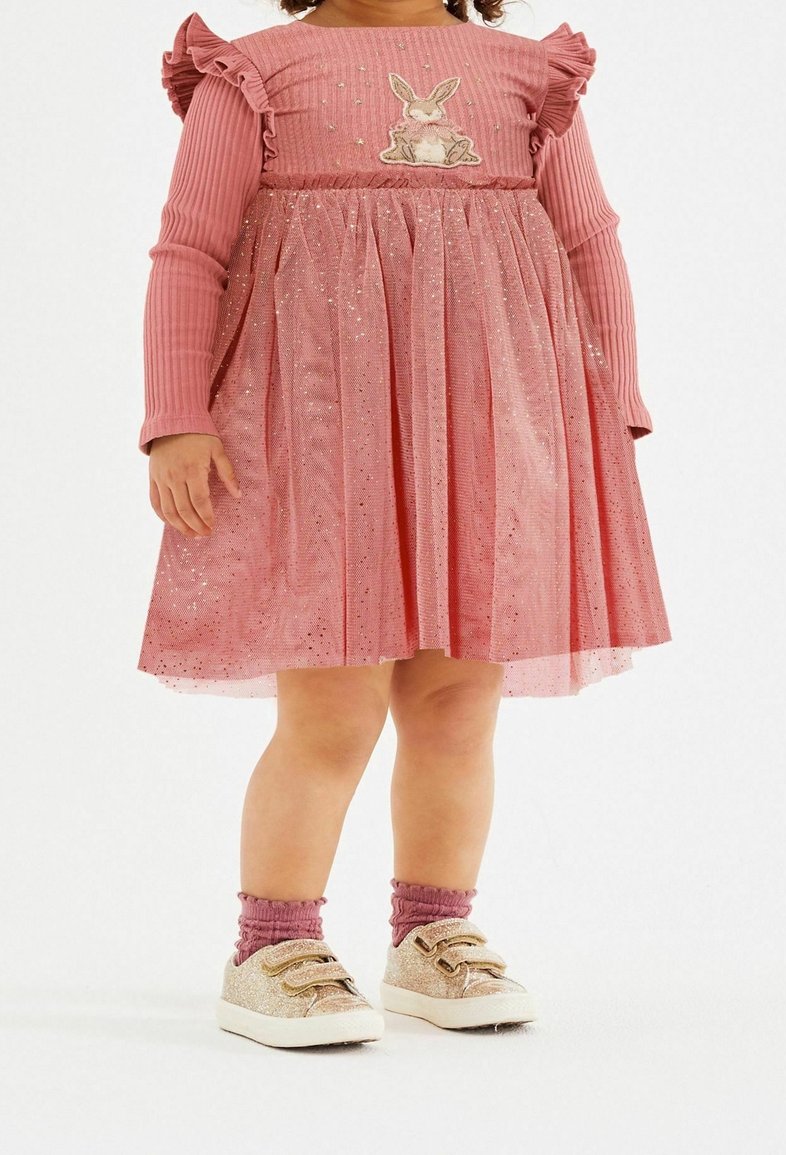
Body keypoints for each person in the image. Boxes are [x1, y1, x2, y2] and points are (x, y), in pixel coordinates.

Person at [136, 0, 671, 1049]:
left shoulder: (529, 77)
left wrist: (612, 398)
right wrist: (175, 416)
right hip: (319, 428)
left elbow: (588, 240)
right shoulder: (254, 75)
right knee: (332, 704)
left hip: (489, 420)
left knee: (458, 699)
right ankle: (271, 945)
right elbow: (189, 249)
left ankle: (432, 934)